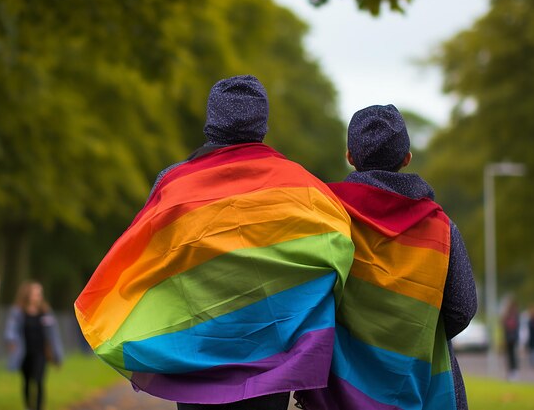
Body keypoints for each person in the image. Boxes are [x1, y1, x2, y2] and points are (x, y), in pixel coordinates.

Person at [75, 75, 354, 410]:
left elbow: (150, 254)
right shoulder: (301, 188)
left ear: (212, 124)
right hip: (270, 359)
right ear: (262, 125)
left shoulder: (175, 184)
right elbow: (335, 252)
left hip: (196, 357)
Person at [296, 104, 477, 410]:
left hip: (338, 391)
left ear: (350, 157)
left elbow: (306, 294)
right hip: (419, 388)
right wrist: (412, 333)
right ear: (406, 158)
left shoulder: (326, 216)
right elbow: (462, 308)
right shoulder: (441, 228)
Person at [5, 281, 64, 410]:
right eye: (35, 293)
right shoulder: (18, 312)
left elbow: (53, 334)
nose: (38, 296)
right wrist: (11, 340)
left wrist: (57, 354)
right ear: (28, 295)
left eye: (39, 294)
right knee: (26, 381)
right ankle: (28, 406)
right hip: (24, 353)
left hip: (41, 353)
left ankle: (38, 407)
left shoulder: (45, 312)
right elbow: (11, 329)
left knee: (38, 380)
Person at [502, 299, 521, 380]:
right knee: (509, 356)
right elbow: (504, 326)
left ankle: (514, 371)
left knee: (513, 355)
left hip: (513, 339)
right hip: (508, 339)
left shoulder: (516, 316)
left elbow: (516, 327)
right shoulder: (507, 316)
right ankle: (511, 372)